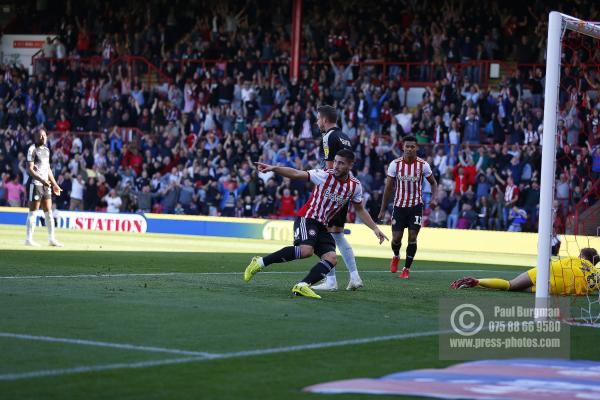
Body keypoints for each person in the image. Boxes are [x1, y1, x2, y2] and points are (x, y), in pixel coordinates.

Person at [244, 150, 388, 299]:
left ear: (350, 165)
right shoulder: (324, 175)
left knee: (331, 258)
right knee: (306, 250)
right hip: (307, 218)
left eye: (341, 163)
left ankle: (302, 285)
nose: (336, 166)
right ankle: (260, 262)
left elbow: (359, 209)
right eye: (336, 161)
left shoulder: (355, 186)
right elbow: (296, 173)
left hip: (322, 225)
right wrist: (274, 168)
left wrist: (375, 228)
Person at [312, 104, 363, 291]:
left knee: (323, 234)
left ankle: (331, 281)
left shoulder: (328, 137)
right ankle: (354, 276)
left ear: (325, 120)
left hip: (333, 191)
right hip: (345, 189)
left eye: (318, 118)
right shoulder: (344, 136)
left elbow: (331, 168)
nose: (317, 122)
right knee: (337, 235)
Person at [378, 135, 438, 279]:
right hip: (399, 206)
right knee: (396, 239)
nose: (410, 149)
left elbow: (434, 183)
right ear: (402, 147)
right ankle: (396, 256)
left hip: (415, 206)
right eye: (407, 146)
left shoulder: (423, 165)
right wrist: (382, 209)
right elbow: (388, 188)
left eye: (412, 146)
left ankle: (406, 268)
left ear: (416, 148)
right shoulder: (395, 164)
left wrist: (434, 198)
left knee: (412, 238)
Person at [451, 248, 600, 296]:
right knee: (518, 290)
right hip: (560, 288)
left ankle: (477, 281)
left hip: (551, 270)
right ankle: (476, 283)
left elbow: (557, 263)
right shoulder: (596, 275)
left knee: (511, 285)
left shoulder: (576, 259)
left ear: (582, 256)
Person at [24, 129, 63, 247]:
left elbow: (48, 168)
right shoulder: (32, 149)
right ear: (36, 137)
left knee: (49, 212)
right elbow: (29, 169)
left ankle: (52, 239)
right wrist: (43, 180)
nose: (43, 137)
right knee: (33, 212)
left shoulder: (47, 150)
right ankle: (28, 239)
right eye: (40, 136)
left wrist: (54, 184)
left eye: (44, 135)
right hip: (35, 184)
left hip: (45, 184)